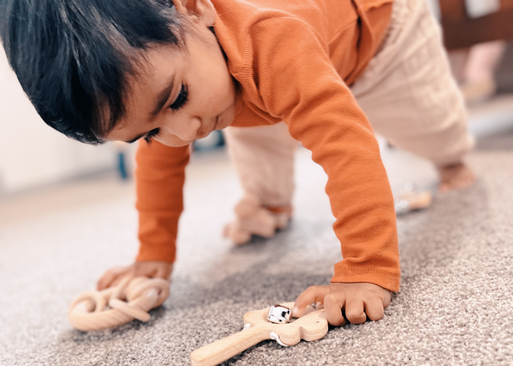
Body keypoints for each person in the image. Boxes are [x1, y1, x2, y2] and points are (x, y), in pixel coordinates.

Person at [0, 0, 475, 326]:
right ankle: (270, 203)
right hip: (250, 77)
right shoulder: (190, 72)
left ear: (194, 9)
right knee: (242, 121)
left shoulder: (272, 41)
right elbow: (160, 163)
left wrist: (366, 268)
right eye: (149, 130)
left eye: (176, 97)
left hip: (378, 38)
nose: (182, 133)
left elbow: (345, 146)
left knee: (431, 125)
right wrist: (153, 256)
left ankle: (456, 160)